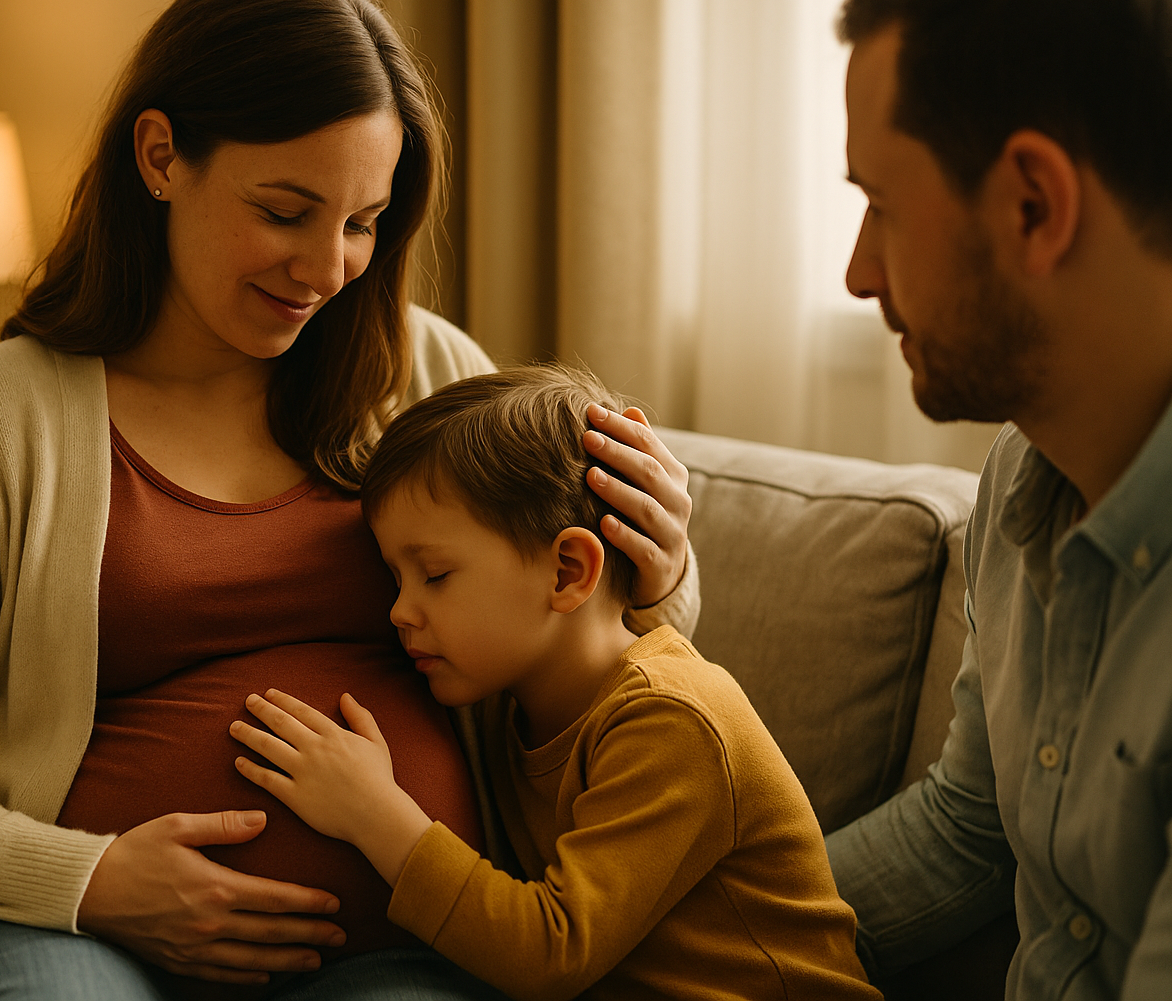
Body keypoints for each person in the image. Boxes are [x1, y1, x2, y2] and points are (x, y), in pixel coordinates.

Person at [0, 0, 700, 1000]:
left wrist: (658, 572)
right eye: (286, 210)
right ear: (160, 157)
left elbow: (598, 650)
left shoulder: (428, 375)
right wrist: (92, 879)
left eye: (363, 222)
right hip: (61, 934)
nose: (327, 269)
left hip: (389, 948)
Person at [226, 366, 879, 1001]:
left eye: (435, 575)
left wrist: (374, 813)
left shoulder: (670, 717)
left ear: (568, 571)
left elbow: (552, 952)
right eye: (396, 580)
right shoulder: (515, 701)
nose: (399, 610)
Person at [824, 0, 1172, 997]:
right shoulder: (1025, 472)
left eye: (881, 206)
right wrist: (655, 924)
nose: (857, 272)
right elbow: (969, 829)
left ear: (1034, 205)